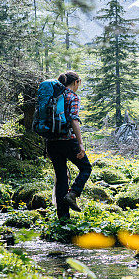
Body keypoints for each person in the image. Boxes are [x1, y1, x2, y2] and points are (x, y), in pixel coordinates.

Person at [46, 70, 92, 219]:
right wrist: (80, 144)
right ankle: (73, 194)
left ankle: (63, 218)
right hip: (68, 141)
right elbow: (73, 120)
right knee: (85, 168)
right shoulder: (72, 96)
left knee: (61, 178)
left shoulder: (53, 95)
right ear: (76, 82)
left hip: (52, 142)